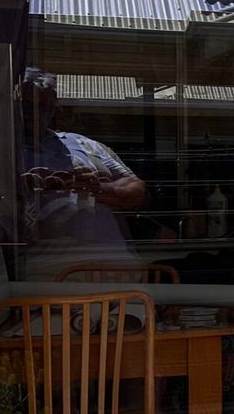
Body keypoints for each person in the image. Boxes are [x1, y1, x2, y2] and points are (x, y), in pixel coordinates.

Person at [17, 68, 149, 278]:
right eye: (26, 106)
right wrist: (28, 187)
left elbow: (137, 191)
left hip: (116, 267)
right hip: (50, 273)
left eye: (44, 107)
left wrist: (98, 188)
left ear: (54, 109)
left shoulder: (83, 144)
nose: (34, 114)